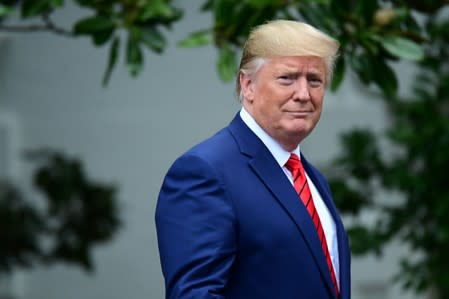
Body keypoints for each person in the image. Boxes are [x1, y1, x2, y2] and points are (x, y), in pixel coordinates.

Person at [155, 20, 351, 299]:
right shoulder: (205, 171)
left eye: (314, 80)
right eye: (287, 78)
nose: (304, 94)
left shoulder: (312, 179)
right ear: (247, 85)